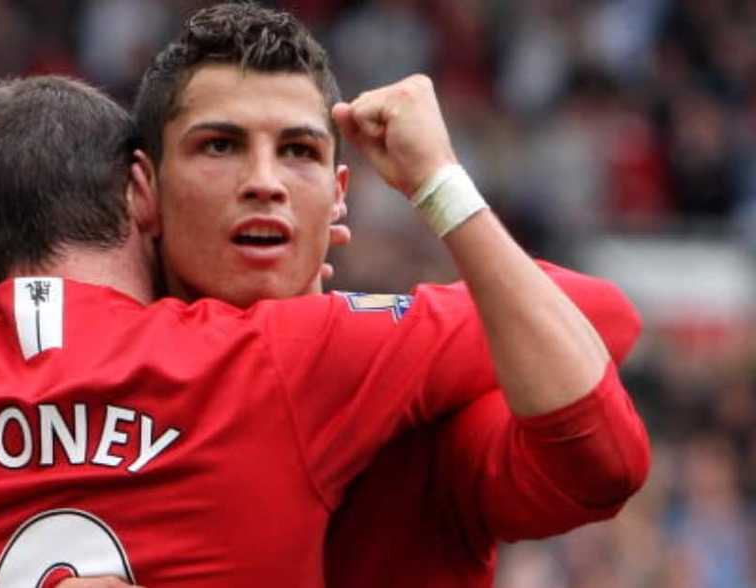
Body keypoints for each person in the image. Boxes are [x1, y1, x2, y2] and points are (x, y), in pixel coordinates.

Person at [126, 4, 650, 586]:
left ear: (337, 198)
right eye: (220, 146)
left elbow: (603, 463)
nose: (265, 182)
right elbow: (600, 312)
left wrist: (441, 183)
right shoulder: (87, 393)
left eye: (299, 151)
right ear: (145, 191)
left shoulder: (417, 409)